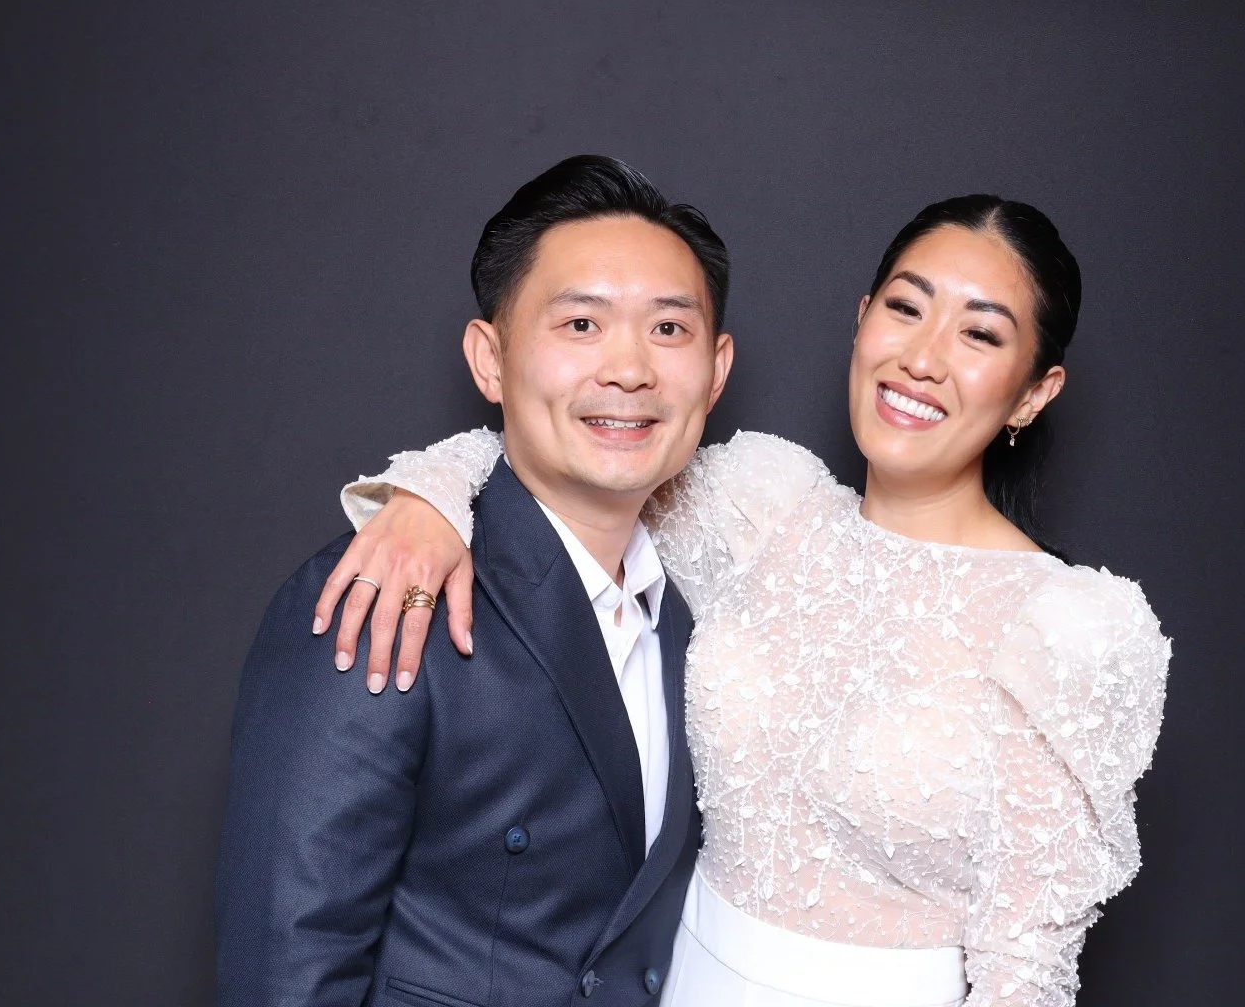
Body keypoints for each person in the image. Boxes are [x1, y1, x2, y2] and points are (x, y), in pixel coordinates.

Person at [320, 196, 1173, 1006]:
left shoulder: (1070, 630)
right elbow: (579, 456)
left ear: (1034, 391)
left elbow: (1025, 969)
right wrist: (428, 498)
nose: (923, 357)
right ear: (863, 315)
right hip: (678, 979)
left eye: (980, 334)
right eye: (907, 310)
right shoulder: (766, 509)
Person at [215, 155, 735, 1005]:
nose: (631, 370)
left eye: (668, 330)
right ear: (489, 359)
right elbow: (287, 967)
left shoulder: (708, 611)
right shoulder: (386, 593)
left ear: (715, 371)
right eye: (580, 326)